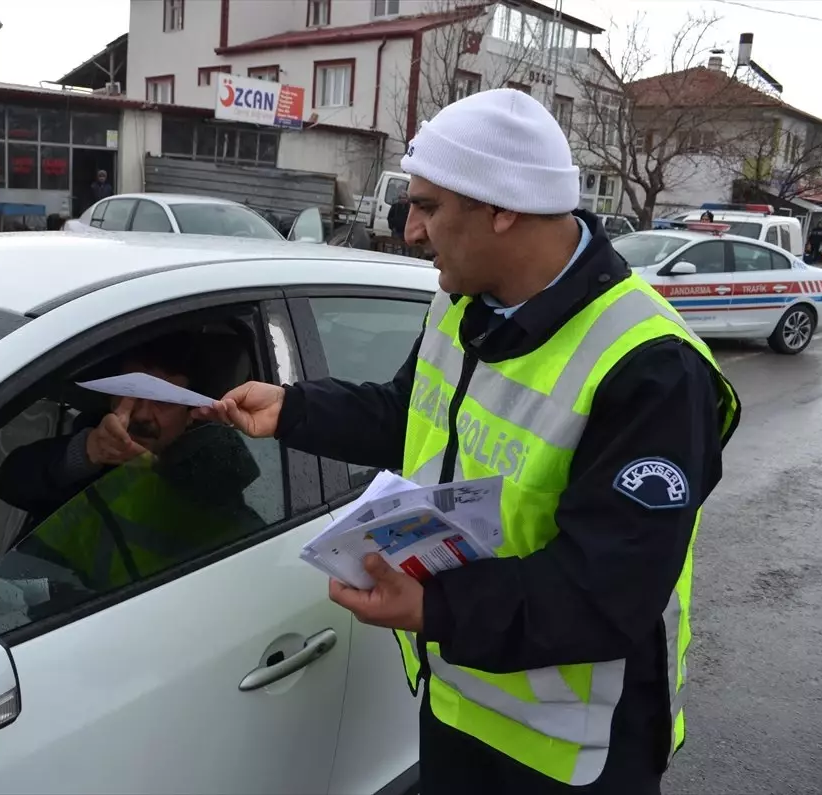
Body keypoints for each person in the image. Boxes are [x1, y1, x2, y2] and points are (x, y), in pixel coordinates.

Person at [196, 88, 740, 794]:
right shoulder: (462, 300)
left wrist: (433, 608)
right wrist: (295, 408)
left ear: (502, 207)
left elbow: (608, 592)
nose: (410, 231)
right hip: (459, 697)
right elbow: (411, 413)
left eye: (427, 207)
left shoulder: (652, 367)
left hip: (575, 751)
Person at [0, 331, 265, 592]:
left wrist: (162, 472)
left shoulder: (217, 487)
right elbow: (9, 483)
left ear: (192, 412)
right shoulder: (93, 449)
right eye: (129, 393)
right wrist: (86, 454)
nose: (142, 414)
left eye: (164, 400)